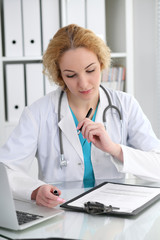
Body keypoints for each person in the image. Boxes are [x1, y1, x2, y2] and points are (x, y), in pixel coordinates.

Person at [0, 24, 160, 208]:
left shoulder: (125, 105)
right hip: (61, 217)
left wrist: (115, 149)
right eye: (71, 75)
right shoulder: (38, 113)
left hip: (115, 217)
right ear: (60, 75)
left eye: (90, 70)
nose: (83, 83)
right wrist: (35, 191)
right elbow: (5, 171)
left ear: (101, 63)